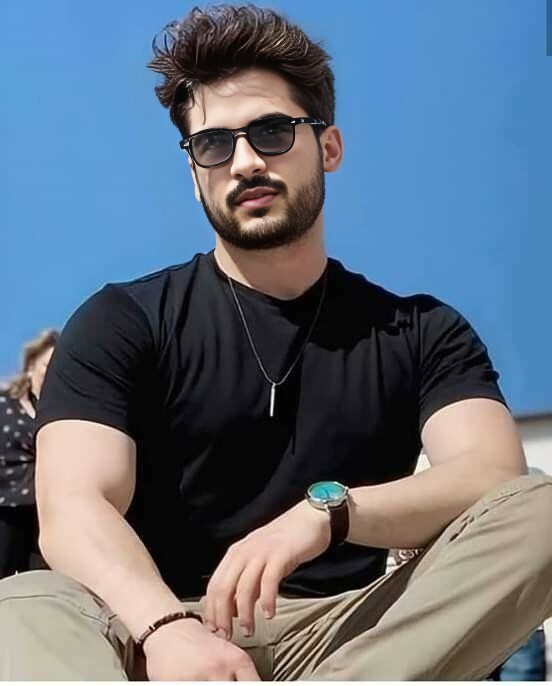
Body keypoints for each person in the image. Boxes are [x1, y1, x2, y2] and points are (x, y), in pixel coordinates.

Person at [0, 5, 551, 681]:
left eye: (271, 132)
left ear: (329, 148)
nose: (244, 162)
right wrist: (169, 630)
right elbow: (73, 507)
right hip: (149, 634)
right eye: (213, 144)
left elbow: (491, 474)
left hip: (345, 638)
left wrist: (327, 514)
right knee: (22, 603)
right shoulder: (122, 320)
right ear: (194, 174)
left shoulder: (421, 331)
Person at [0, 329, 58, 577]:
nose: (52, 373)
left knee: (41, 582)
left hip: (45, 512)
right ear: (31, 365)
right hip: (6, 508)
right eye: (47, 365)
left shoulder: (63, 412)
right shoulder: (4, 403)